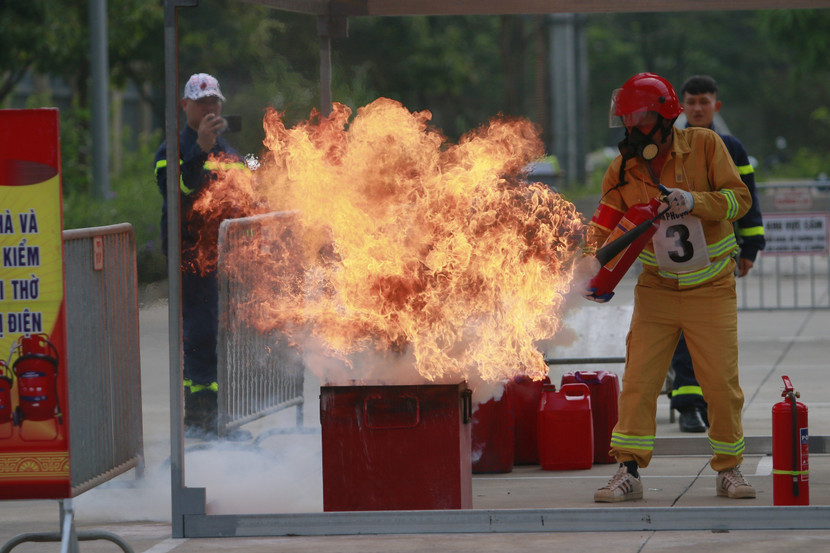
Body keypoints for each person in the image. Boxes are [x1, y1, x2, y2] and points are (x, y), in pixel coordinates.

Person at [584, 72, 756, 502]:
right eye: (625, 120)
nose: (630, 128)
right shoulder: (623, 169)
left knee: (720, 383)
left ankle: (729, 469)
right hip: (656, 291)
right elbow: (601, 230)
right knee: (640, 381)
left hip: (710, 288)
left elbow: (740, 199)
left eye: (638, 118)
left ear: (662, 117)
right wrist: (586, 270)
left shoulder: (704, 145)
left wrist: (694, 200)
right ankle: (627, 470)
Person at [670, 75, 766, 433]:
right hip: (676, 257)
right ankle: (687, 405)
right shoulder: (667, 144)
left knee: (714, 337)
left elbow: (747, 199)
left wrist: (752, 246)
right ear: (681, 105)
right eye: (691, 101)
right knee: (682, 335)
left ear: (716, 106)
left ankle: (714, 404)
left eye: (704, 101)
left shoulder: (731, 147)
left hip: (718, 258)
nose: (697, 108)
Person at [154, 73, 246, 439]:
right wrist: (200, 149)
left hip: (226, 261)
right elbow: (178, 189)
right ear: (185, 106)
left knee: (225, 337)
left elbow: (244, 201)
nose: (210, 108)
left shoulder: (231, 153)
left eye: (215, 102)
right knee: (200, 336)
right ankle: (198, 420)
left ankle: (220, 419)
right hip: (192, 259)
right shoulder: (172, 151)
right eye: (202, 102)